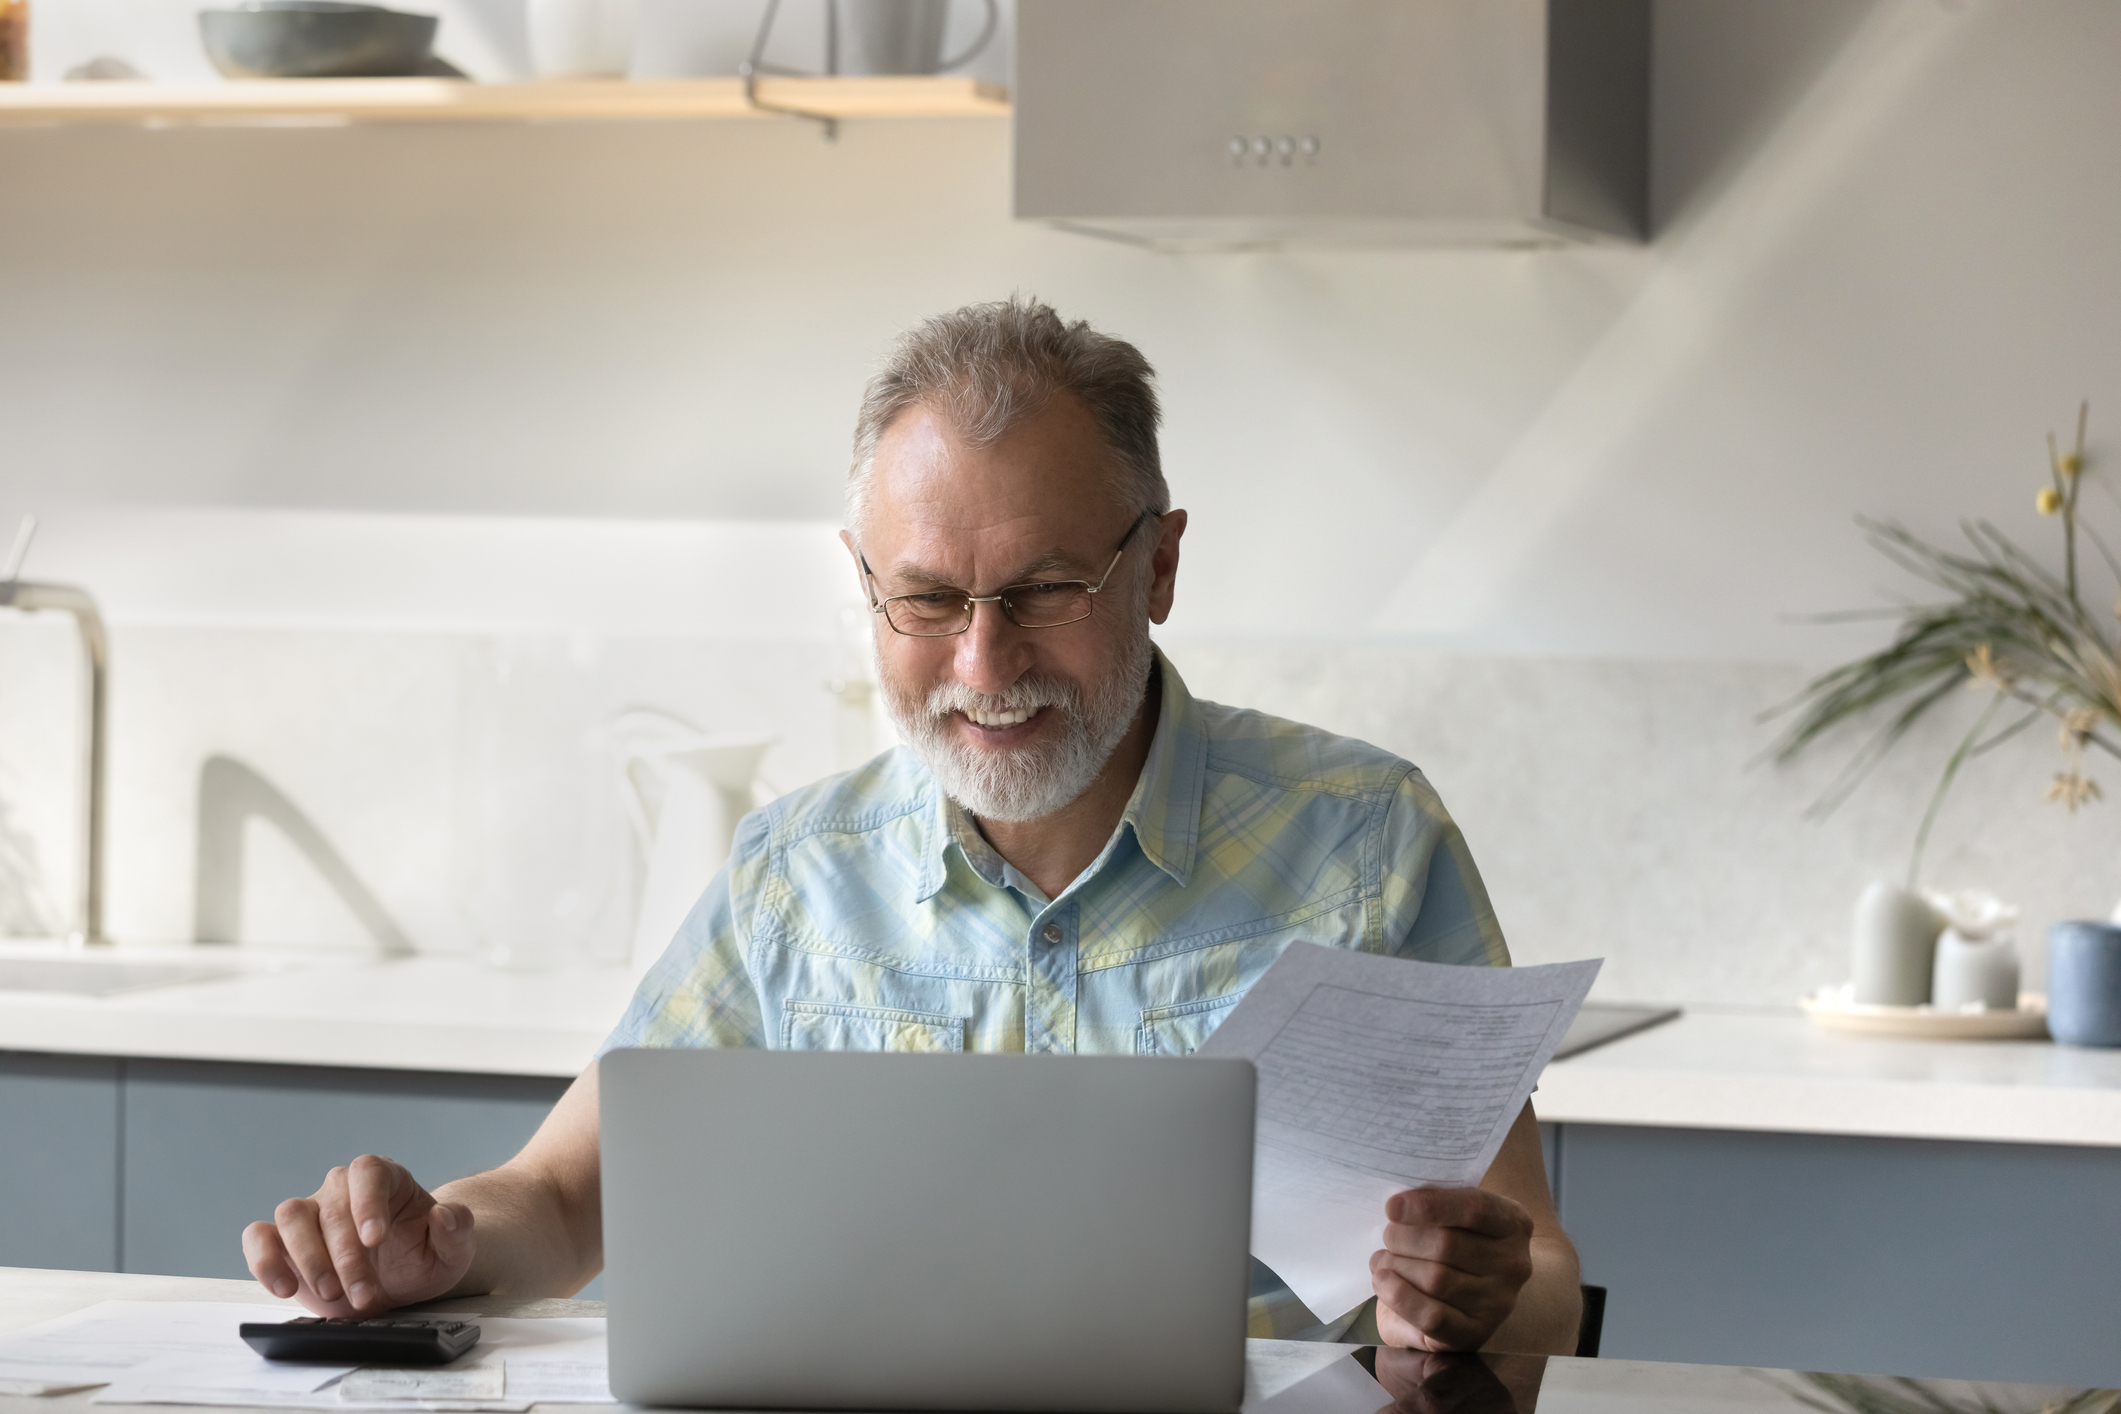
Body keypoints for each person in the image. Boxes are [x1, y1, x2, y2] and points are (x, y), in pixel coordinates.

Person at [242, 297, 1583, 1355]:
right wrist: (440, 1242)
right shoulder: (795, 875)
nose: (985, 664)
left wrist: (1468, 1297)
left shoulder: (1364, 838)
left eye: (1044, 587)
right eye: (928, 599)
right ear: (862, 582)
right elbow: (567, 1198)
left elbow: (1533, 1268)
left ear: (1158, 566)